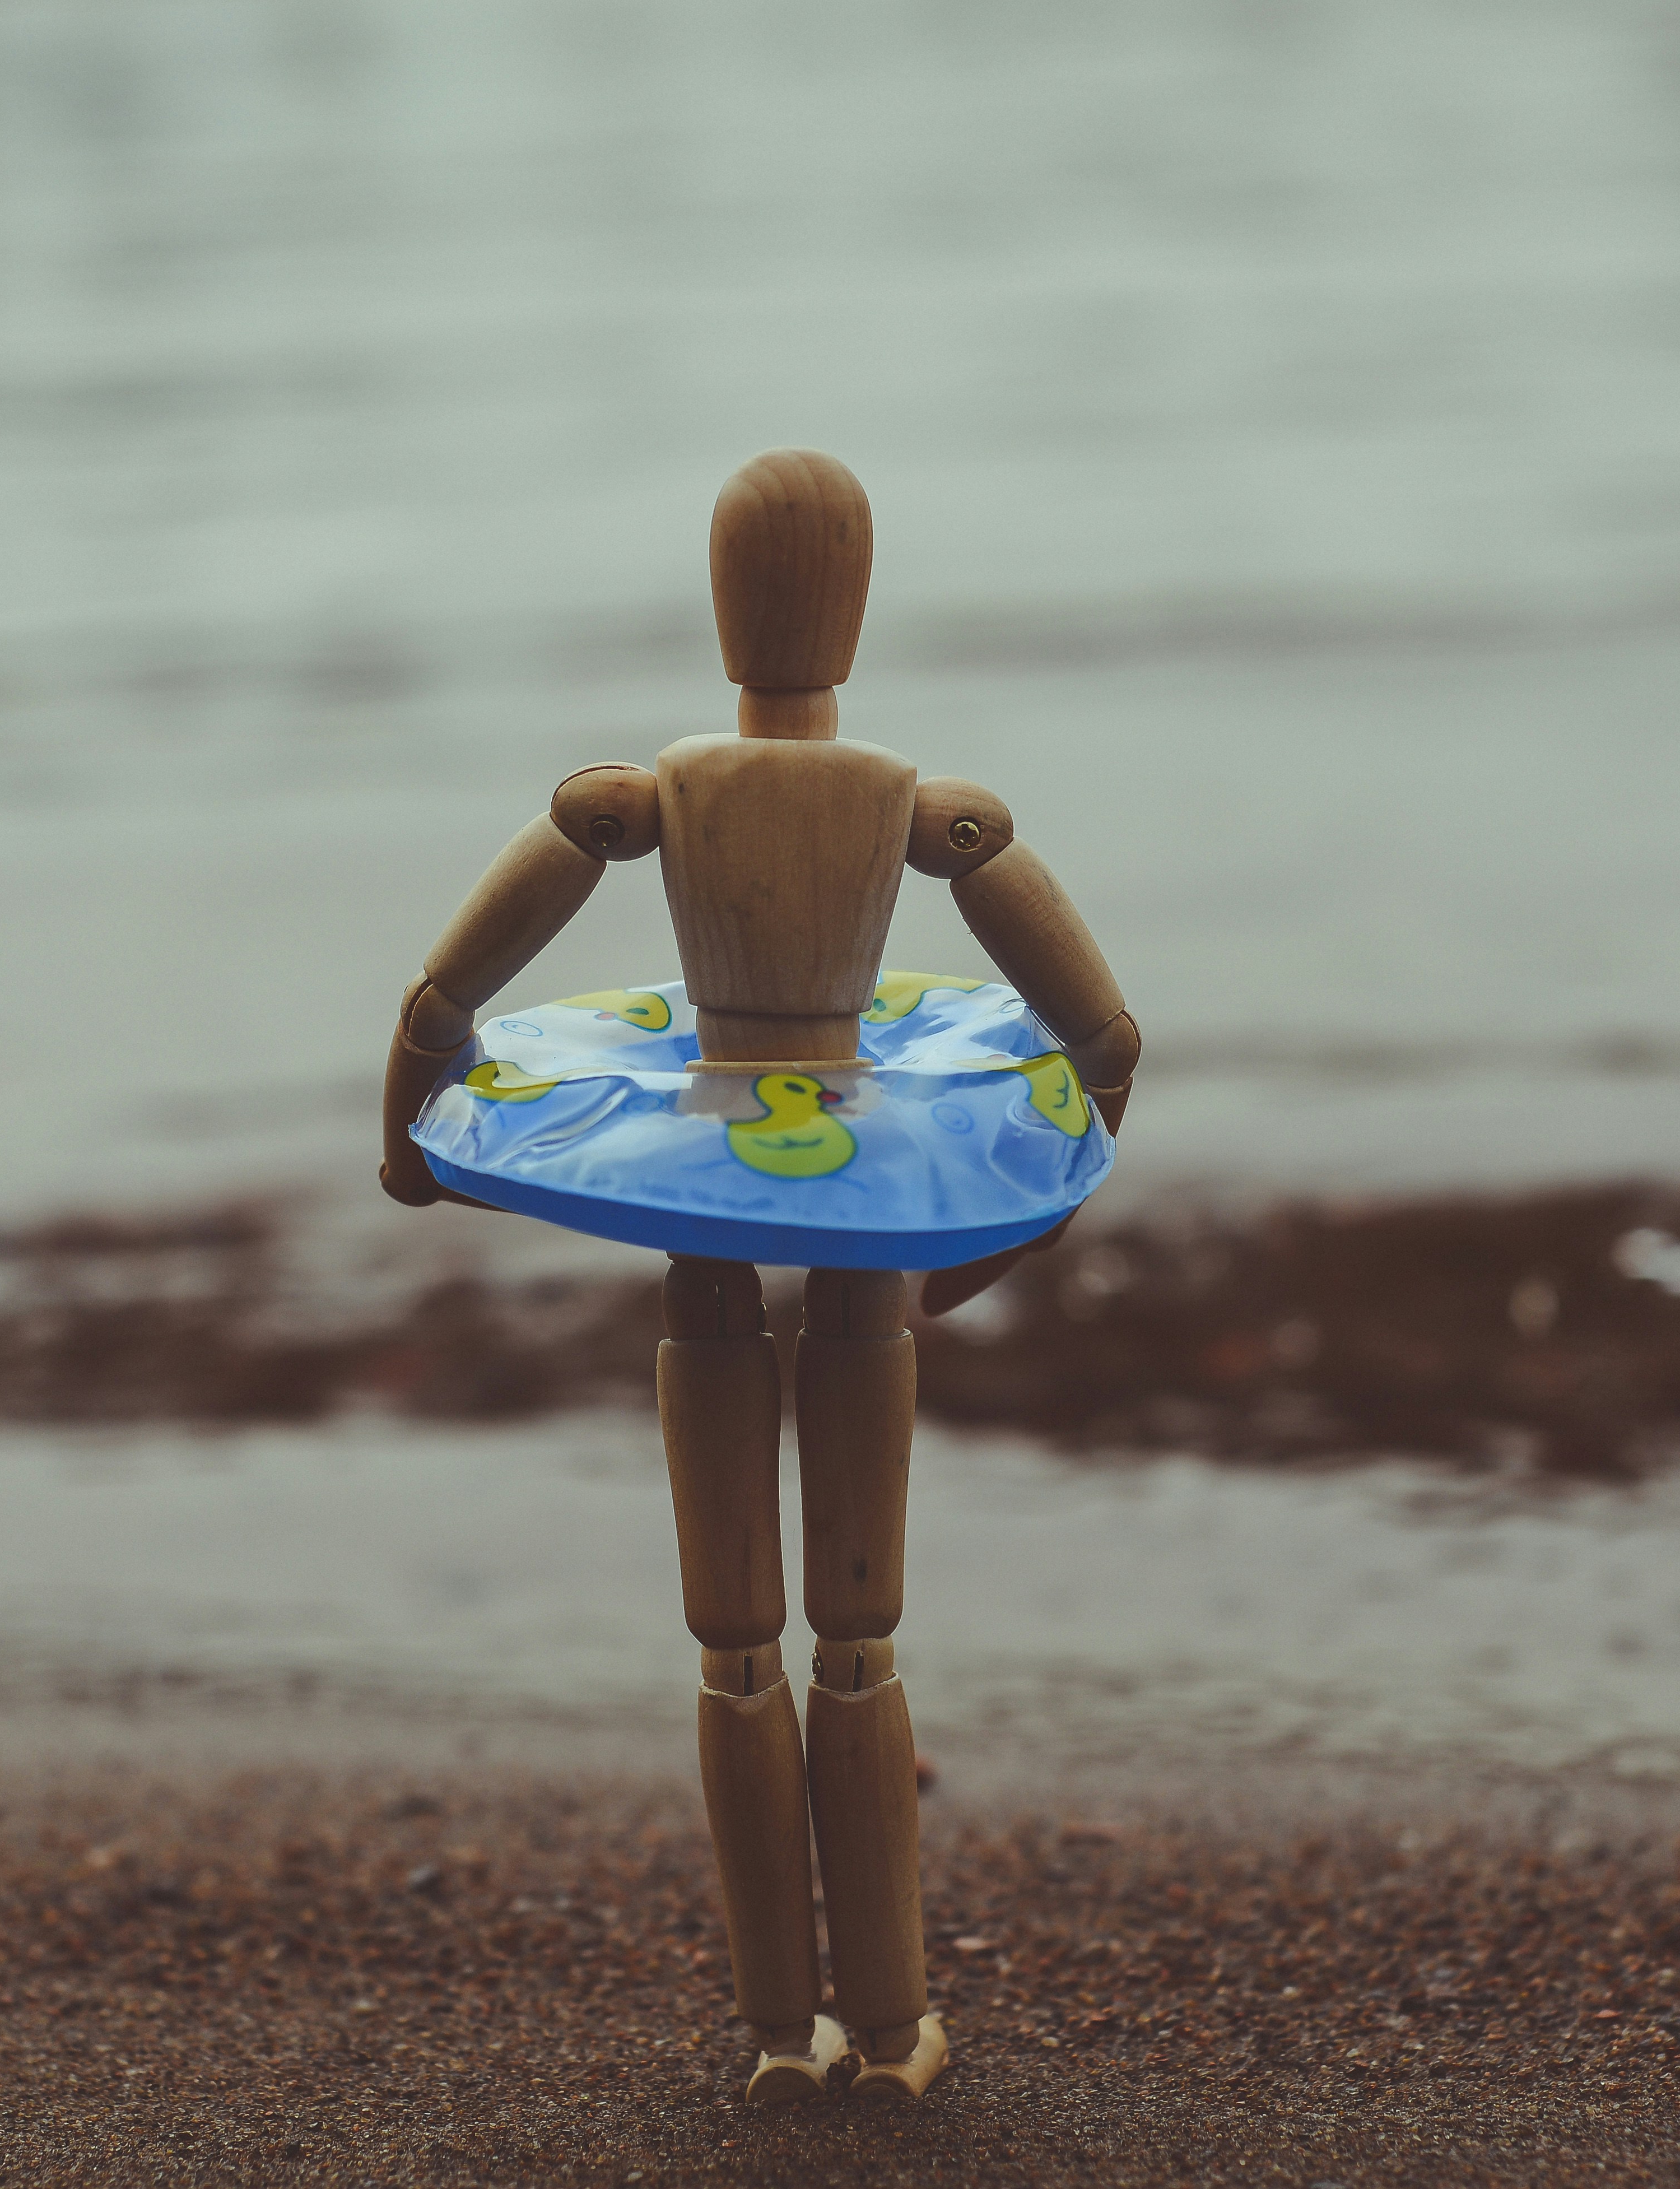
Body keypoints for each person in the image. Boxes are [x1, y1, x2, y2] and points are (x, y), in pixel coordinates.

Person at [375, 450, 1139, 2104]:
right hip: (873, 1187)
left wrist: (407, 1129)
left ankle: (776, 2037)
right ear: (852, 598)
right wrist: (1023, 1220)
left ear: (724, 593)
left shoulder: (648, 789)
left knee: (734, 1647)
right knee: (856, 1641)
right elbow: (1104, 1034)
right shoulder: (911, 798)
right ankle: (887, 2032)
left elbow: (447, 989)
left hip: (701, 1178)